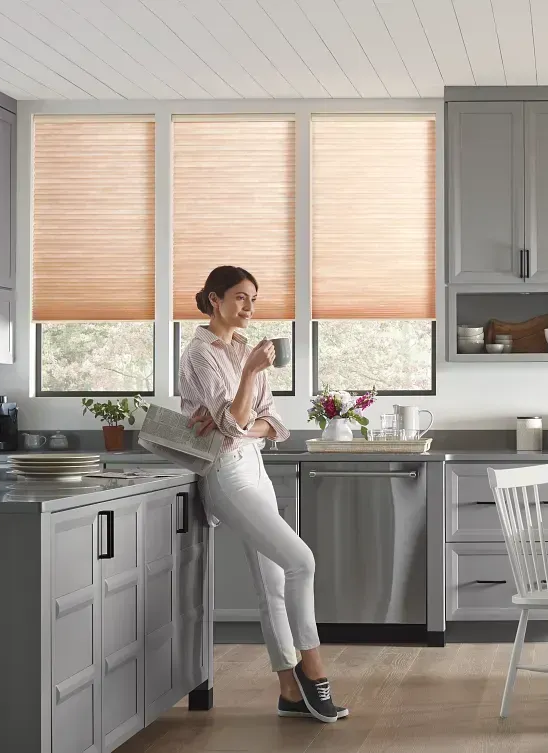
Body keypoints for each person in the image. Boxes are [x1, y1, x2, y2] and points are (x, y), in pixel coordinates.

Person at [177, 265, 345, 723]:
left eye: (253, 298)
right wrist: (249, 377)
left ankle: (289, 694)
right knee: (301, 561)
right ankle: (314, 668)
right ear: (215, 300)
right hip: (224, 475)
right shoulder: (198, 354)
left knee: (273, 582)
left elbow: (271, 422)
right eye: (240, 298)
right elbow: (232, 427)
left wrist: (242, 421)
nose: (249, 307)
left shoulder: (242, 349)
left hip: (254, 467)